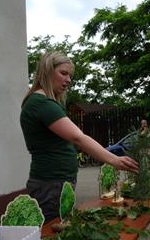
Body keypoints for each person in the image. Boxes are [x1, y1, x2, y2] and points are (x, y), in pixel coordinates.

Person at [20, 51, 138, 222]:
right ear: (47, 71)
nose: (68, 80)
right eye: (63, 73)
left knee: (59, 229)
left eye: (70, 75)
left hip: (54, 182)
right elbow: (78, 138)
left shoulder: (41, 102)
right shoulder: (41, 104)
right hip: (50, 184)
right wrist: (115, 160)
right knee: (51, 235)